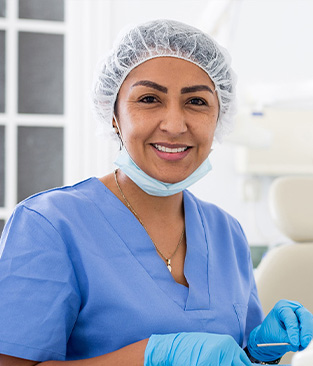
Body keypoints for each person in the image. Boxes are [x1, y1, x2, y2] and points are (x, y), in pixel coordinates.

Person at [0, 19, 312, 366]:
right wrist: (153, 356)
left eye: (196, 101)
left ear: (219, 117)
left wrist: (258, 352)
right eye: (149, 99)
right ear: (114, 114)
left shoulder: (227, 232)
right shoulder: (49, 225)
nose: (175, 125)